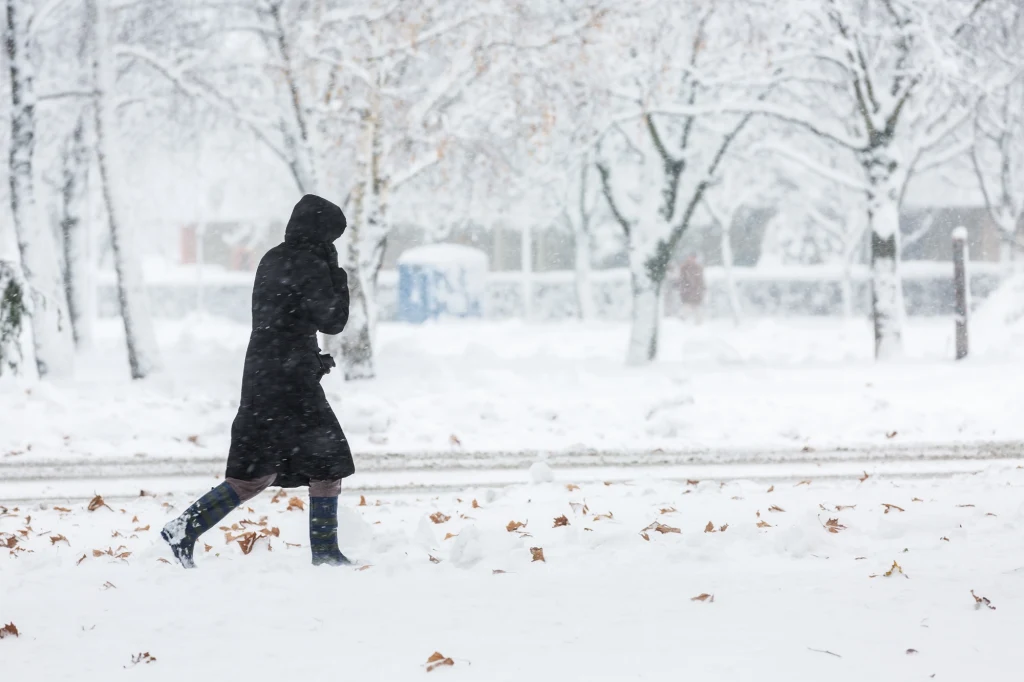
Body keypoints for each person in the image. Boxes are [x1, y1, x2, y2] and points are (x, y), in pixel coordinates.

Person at [162, 194, 355, 568]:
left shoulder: (273, 257)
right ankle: (326, 553)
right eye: (332, 238)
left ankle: (184, 527)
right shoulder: (312, 264)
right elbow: (332, 320)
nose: (332, 245)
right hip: (292, 380)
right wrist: (339, 275)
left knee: (255, 471)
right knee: (327, 463)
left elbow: (285, 317)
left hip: (263, 375)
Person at [679, 252, 705, 323]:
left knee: (697, 308)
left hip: (696, 291)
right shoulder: (684, 267)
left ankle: (699, 324)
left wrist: (702, 288)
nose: (692, 259)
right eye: (691, 257)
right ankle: (681, 322)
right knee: (687, 307)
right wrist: (684, 289)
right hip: (687, 291)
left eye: (693, 258)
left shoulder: (698, 267)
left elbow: (701, 280)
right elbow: (681, 280)